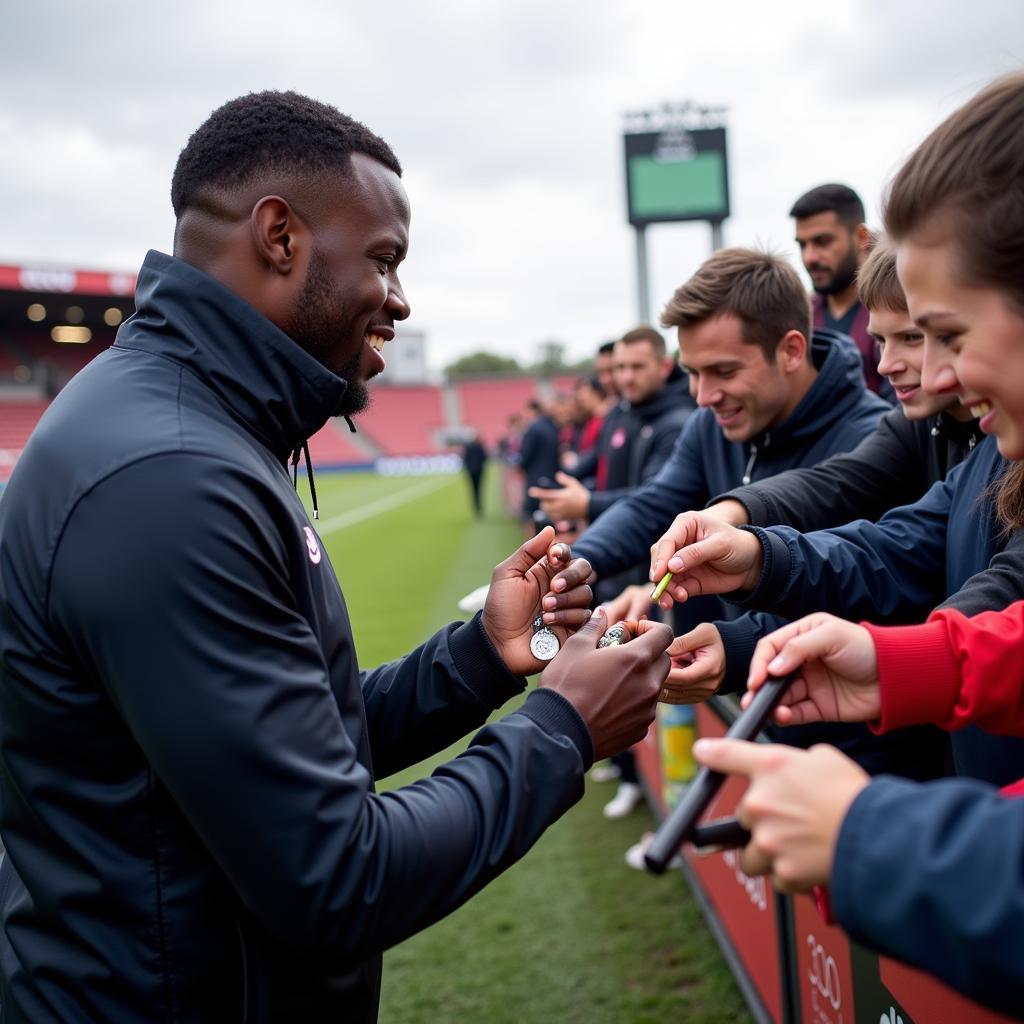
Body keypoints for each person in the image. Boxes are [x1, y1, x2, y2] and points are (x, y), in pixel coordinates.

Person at [0, 91, 675, 1022]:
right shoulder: (172, 474)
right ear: (280, 236)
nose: (399, 299)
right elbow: (335, 878)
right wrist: (564, 727)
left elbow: (298, 738)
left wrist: (480, 656)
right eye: (387, 259)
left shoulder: (196, 429)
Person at [691, 72, 1024, 1017]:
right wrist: (885, 654)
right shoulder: (965, 450)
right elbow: (895, 541)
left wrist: (865, 835)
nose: (935, 373)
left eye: (943, 333)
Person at [790, 183, 892, 398]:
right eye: (802, 245)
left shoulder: (895, 305)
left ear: (862, 237)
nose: (810, 257)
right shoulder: (800, 316)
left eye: (822, 241)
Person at [516, 397, 560, 535]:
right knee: (549, 519)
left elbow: (525, 456)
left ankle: (531, 552)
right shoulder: (551, 426)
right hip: (551, 478)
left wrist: (519, 464)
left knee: (529, 517)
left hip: (534, 480)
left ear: (532, 411)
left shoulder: (533, 428)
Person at [459, 429, 488, 516]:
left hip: (471, 471)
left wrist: (466, 469)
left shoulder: (468, 446)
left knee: (473, 490)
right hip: (479, 471)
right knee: (479, 489)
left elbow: (465, 459)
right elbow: (485, 458)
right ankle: (479, 507)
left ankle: (476, 507)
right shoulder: (480, 446)